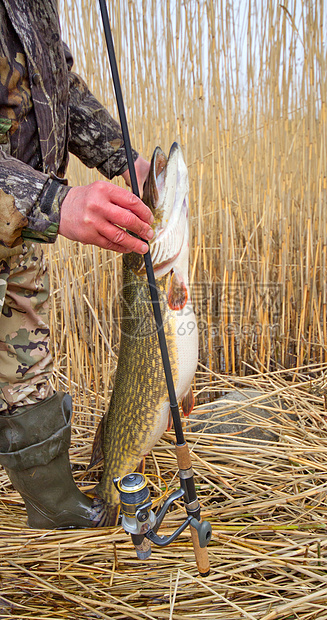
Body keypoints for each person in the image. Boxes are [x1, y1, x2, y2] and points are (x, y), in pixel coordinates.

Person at [0, 0, 153, 528]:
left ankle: (56, 511)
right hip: (27, 204)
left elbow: (57, 85)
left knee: (24, 371)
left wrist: (122, 159)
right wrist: (53, 202)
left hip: (17, 229)